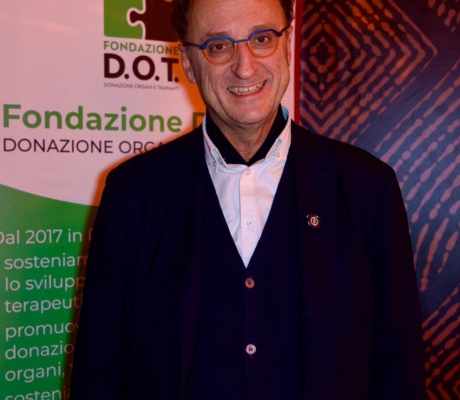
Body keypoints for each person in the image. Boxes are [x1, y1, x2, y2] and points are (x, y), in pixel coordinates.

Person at [71, 0, 425, 398]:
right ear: (188, 63)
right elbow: (98, 369)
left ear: (287, 44)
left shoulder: (367, 188)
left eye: (262, 39)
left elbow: (399, 366)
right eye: (219, 46)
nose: (245, 67)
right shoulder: (132, 194)